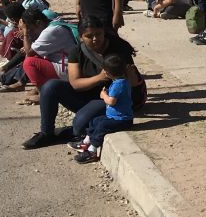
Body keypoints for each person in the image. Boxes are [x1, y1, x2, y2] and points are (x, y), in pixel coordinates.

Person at [23, 17, 144, 149]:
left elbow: (132, 82)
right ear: (81, 37)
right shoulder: (77, 51)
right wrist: (100, 77)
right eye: (89, 36)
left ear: (104, 32)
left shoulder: (118, 48)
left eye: (98, 34)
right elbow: (75, 83)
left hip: (112, 100)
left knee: (79, 126)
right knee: (50, 87)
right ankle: (46, 133)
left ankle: (75, 130)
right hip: (87, 95)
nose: (95, 39)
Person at [71, 52, 135, 164]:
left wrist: (103, 95)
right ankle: (85, 142)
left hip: (122, 120)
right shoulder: (120, 81)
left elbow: (111, 101)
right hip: (114, 117)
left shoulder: (118, 84)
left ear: (107, 72)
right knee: (95, 120)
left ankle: (92, 151)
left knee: (101, 126)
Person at [19, 9, 77, 99]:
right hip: (67, 64)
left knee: (29, 62)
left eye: (31, 29)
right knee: (36, 56)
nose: (31, 31)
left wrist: (25, 33)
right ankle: (46, 88)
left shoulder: (51, 31)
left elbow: (29, 53)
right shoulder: (53, 24)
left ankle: (43, 95)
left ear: (38, 23)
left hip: (67, 67)